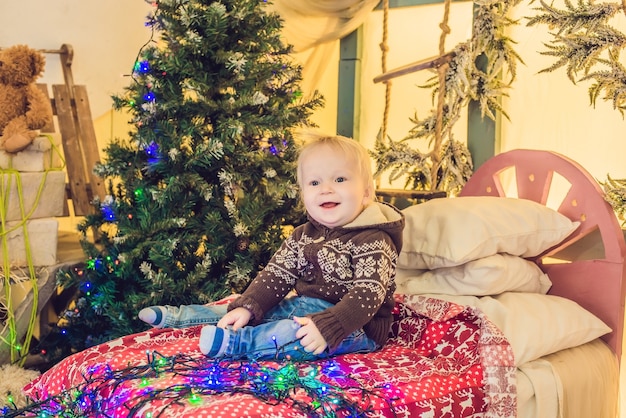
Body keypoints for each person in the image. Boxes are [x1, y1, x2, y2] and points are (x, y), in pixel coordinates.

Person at [138, 134, 405, 361]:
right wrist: (249, 306)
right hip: (307, 306)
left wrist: (329, 326)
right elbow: (277, 275)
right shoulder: (304, 235)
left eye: (340, 180)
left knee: (294, 334)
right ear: (304, 194)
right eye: (314, 183)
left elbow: (368, 295)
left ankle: (239, 344)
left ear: (367, 192)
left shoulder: (373, 239)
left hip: (355, 327)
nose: (325, 189)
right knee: (249, 310)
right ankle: (183, 317)